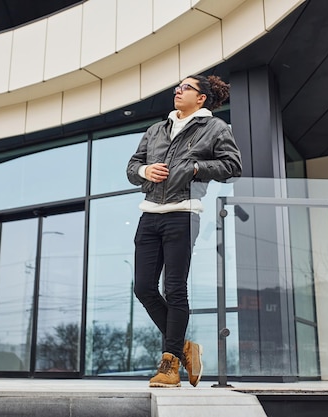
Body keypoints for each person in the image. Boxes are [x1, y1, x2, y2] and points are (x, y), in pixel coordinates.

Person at [126, 74, 242, 387]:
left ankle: (169, 364)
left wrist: (196, 168)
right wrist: (144, 170)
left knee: (174, 289)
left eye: (186, 87)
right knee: (144, 288)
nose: (178, 90)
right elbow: (132, 167)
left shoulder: (215, 128)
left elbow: (233, 166)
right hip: (149, 215)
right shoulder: (157, 129)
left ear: (201, 98)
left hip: (183, 213)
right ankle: (184, 347)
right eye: (178, 86)